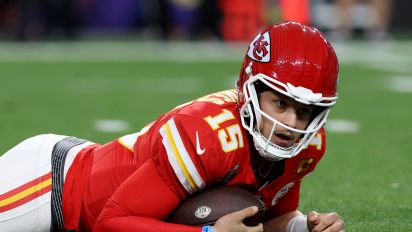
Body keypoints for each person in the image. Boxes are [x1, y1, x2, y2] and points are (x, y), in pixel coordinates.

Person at [0, 21, 345, 232]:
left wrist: (306, 226)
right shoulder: (206, 135)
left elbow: (267, 221)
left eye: (305, 111)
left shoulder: (307, 145)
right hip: (54, 188)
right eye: (280, 104)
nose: (290, 123)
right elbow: (110, 222)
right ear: (250, 90)